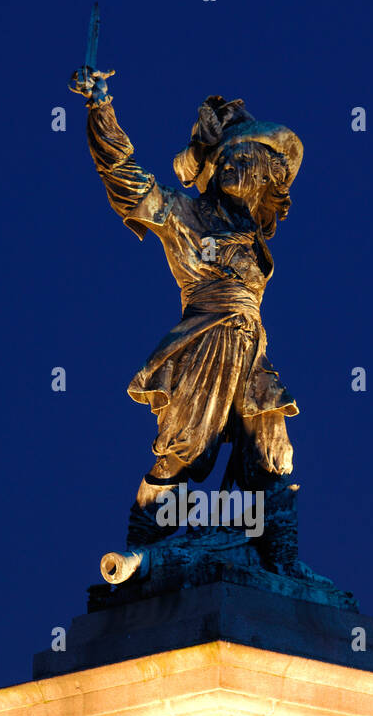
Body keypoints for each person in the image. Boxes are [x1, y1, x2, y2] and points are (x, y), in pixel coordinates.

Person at [70, 68, 303, 546]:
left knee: (270, 444)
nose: (232, 165)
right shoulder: (185, 215)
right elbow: (126, 178)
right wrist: (101, 108)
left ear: (263, 171)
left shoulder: (251, 233)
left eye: (243, 156)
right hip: (206, 341)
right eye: (224, 158)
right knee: (187, 444)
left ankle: (269, 551)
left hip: (251, 347)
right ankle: (148, 533)